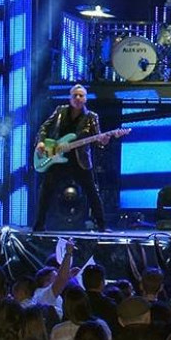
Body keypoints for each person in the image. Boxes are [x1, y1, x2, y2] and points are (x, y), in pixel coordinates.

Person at [32, 84, 111, 232]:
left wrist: (103, 141)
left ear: (86, 99)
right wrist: (41, 141)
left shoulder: (91, 117)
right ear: (70, 98)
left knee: (91, 191)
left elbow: (98, 139)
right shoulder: (60, 111)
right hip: (57, 156)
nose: (78, 98)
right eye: (75, 95)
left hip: (79, 160)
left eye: (81, 95)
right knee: (46, 190)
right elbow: (44, 127)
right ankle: (39, 225)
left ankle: (102, 226)